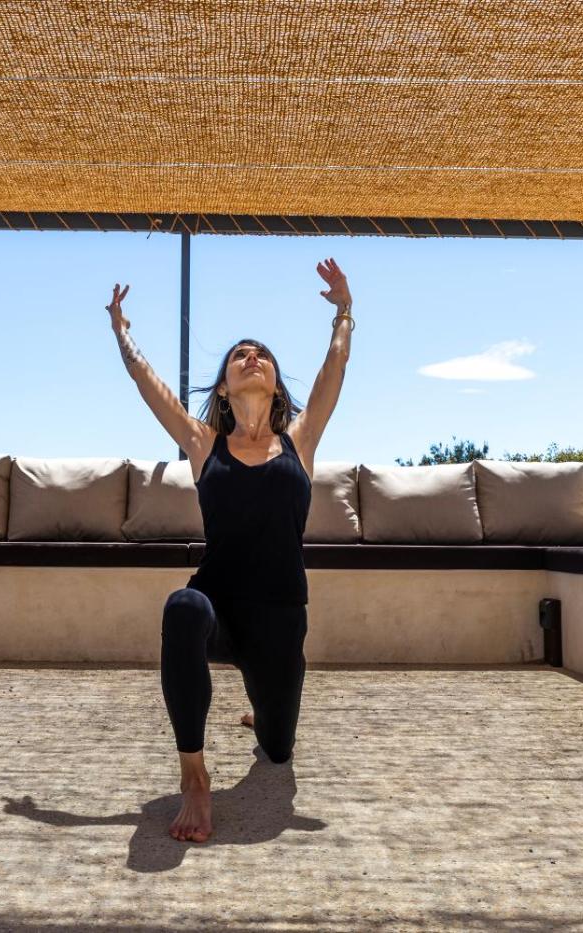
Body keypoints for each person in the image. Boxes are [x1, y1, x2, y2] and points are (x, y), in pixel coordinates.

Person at [105, 258, 354, 843]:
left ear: (276, 384)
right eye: (240, 354)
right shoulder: (203, 443)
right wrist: (122, 332)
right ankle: (194, 776)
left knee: (277, 749)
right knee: (182, 607)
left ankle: (262, 710)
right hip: (216, 604)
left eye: (261, 353)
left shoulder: (301, 440)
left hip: (280, 621)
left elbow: (335, 365)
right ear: (223, 385)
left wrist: (344, 310)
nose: (251, 356)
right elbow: (148, 385)